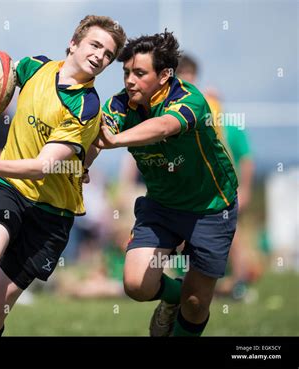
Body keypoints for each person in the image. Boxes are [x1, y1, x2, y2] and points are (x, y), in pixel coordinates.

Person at [0, 15, 126, 337]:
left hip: (52, 212)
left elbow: (43, 166)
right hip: (10, 188)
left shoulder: (86, 107)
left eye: (109, 55)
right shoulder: (36, 67)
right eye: (95, 45)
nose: (101, 56)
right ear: (73, 43)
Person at [94, 30, 239, 337]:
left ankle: (183, 306)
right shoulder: (120, 106)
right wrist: (81, 162)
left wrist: (116, 140)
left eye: (139, 73)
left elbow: (163, 126)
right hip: (162, 207)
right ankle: (171, 296)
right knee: (136, 284)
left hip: (211, 209)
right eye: (126, 73)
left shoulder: (191, 99)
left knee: (197, 303)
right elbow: (96, 135)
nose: (130, 81)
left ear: (164, 75)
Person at [176, 55, 261, 299]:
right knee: (185, 235)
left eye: (188, 75)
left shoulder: (216, 112)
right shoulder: (179, 109)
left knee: (234, 237)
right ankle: (188, 284)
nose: (185, 80)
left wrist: (245, 189)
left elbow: (246, 157)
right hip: (194, 188)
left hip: (224, 188)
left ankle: (240, 284)